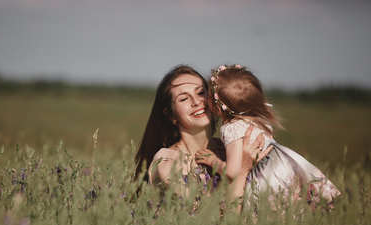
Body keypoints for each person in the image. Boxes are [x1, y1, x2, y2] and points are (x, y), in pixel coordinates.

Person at [195, 64, 340, 209]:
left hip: (266, 177)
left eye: (207, 96)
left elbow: (233, 172)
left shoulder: (231, 129)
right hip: (284, 167)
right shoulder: (259, 121)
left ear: (218, 107)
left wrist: (213, 161)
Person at [134, 65, 269, 201]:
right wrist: (242, 172)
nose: (196, 102)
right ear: (170, 115)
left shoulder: (230, 148)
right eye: (184, 99)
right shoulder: (167, 163)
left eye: (200, 93)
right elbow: (211, 217)